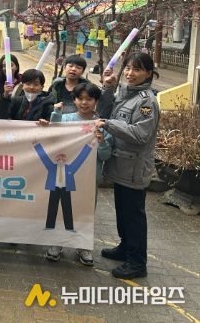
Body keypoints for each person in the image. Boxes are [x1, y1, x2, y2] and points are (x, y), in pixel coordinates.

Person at [94, 52, 160, 280]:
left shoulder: (146, 102)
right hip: (121, 165)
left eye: (137, 69)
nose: (131, 73)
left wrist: (109, 125)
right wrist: (108, 88)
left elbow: (141, 135)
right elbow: (103, 111)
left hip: (134, 169)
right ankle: (126, 247)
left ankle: (137, 262)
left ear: (148, 74)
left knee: (133, 215)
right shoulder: (125, 94)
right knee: (122, 211)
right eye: (128, 68)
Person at [42, 83, 112, 266]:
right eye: (80, 98)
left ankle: (83, 246)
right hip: (64, 178)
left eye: (89, 99)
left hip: (89, 179)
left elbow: (105, 156)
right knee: (61, 212)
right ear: (74, 100)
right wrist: (54, 115)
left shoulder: (102, 125)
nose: (84, 102)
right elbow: (52, 138)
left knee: (85, 212)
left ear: (96, 101)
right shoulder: (66, 119)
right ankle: (57, 243)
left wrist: (102, 142)